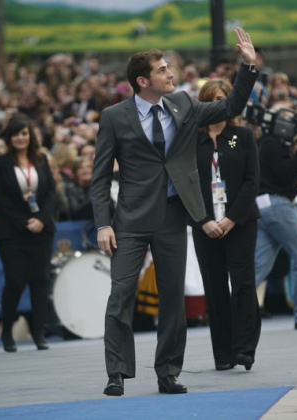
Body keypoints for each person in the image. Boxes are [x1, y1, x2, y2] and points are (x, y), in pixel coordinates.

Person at [91, 27, 258, 397]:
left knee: (172, 299)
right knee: (121, 295)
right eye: (163, 69)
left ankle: (168, 372)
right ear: (142, 80)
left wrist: (247, 67)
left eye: (169, 68)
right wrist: (102, 223)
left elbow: (230, 107)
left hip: (172, 216)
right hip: (130, 220)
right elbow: (99, 177)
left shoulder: (183, 104)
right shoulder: (114, 117)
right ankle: (116, 372)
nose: (171, 74)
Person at [189, 78, 261, 371]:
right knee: (215, 288)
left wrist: (232, 218)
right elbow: (187, 184)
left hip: (240, 222)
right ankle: (223, 353)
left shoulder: (242, 136)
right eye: (212, 99)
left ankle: (244, 349)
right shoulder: (191, 139)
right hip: (205, 225)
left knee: (243, 284)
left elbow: (252, 180)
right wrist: (204, 220)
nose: (218, 105)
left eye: (223, 99)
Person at [0, 117, 57, 352]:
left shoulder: (41, 159)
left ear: (31, 136)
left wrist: (41, 219)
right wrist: (24, 221)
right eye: (16, 134)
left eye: (24, 133)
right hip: (12, 232)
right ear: (9, 138)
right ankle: (7, 332)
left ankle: (39, 334)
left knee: (40, 282)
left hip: (41, 230)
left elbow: (50, 193)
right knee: (15, 281)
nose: (20, 138)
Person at [253, 114, 297, 330]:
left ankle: (229, 309)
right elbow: (287, 175)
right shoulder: (274, 144)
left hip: (262, 206)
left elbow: (281, 178)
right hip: (277, 206)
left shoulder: (264, 143)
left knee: (257, 267)